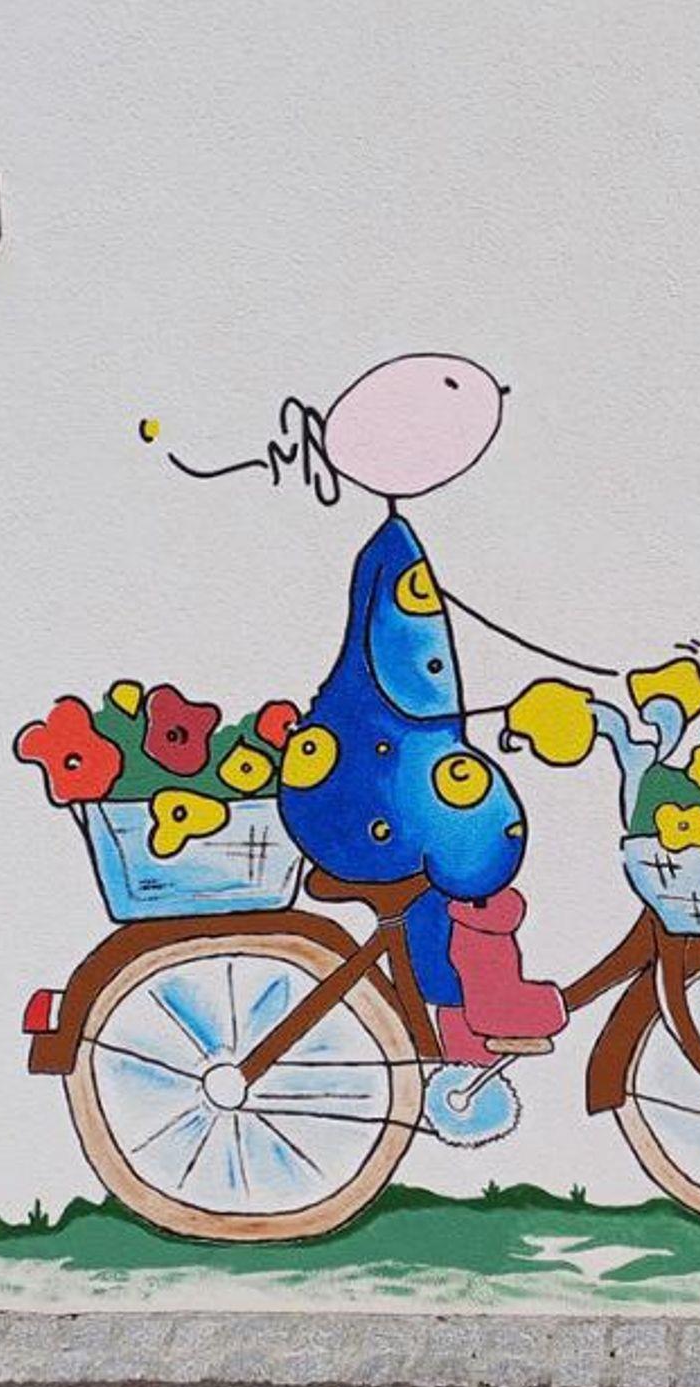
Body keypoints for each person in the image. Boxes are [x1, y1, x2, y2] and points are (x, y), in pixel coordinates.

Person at [161, 353, 589, 1059]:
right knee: (481, 832)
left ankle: (459, 1019)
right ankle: (489, 994)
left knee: (444, 857)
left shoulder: (397, 546)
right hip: (361, 777)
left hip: (363, 764)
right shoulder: (397, 558)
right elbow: (405, 683)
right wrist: (520, 705)